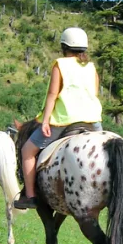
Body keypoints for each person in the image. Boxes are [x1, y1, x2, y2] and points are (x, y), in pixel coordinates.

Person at [14, 27, 103, 210]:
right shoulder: (92, 67)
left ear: (64, 46)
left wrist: (45, 121)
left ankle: (30, 196)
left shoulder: (60, 64)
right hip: (93, 120)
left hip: (65, 120)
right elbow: (93, 93)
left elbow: (52, 94)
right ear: (83, 48)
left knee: (27, 152)